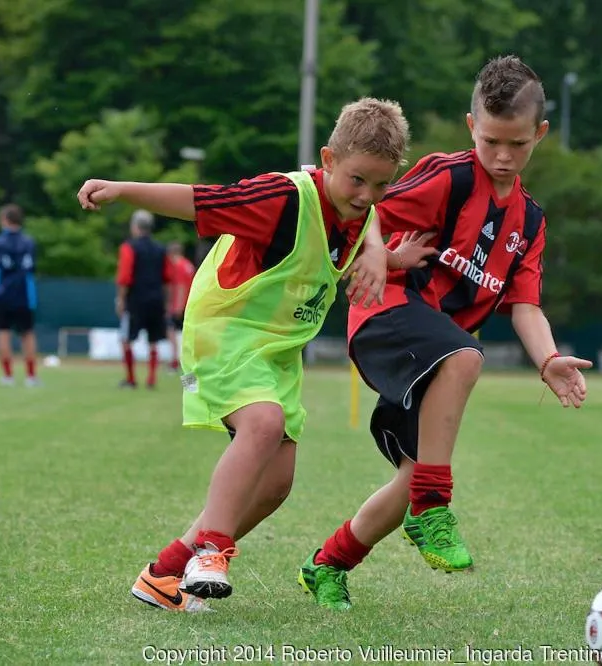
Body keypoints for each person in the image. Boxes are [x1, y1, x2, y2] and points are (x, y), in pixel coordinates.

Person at [77, 97, 433, 612]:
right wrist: (122, 190)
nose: (368, 195)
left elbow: (354, 237)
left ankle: (164, 572)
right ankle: (211, 550)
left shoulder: (361, 214)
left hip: (277, 351)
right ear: (328, 160)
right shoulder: (283, 198)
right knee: (262, 425)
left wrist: (390, 256)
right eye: (357, 180)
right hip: (223, 332)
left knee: (274, 485)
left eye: (381, 185)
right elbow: (201, 199)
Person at [299, 56, 593, 611]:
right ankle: (434, 507)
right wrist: (379, 254)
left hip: (436, 352)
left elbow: (526, 305)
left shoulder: (529, 221)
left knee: (411, 472)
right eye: (491, 141)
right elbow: (369, 205)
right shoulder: (448, 176)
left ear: (540, 135)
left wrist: (548, 359)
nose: (503, 157)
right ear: (471, 127)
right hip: (386, 312)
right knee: (466, 356)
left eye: (518, 145)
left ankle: (327, 565)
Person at [0, 204, 40, 387]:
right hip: (24, 295)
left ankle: (8, 376)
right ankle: (31, 377)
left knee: (2, 334)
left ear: (5, 220)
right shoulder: (29, 242)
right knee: (28, 335)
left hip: (2, 295)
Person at [115, 210, 171, 388]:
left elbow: (125, 277)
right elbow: (167, 278)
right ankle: (151, 379)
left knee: (127, 339)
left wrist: (120, 299)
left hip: (135, 300)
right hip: (156, 299)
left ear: (135, 226)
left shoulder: (128, 247)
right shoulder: (161, 250)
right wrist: (167, 301)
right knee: (153, 340)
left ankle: (131, 379)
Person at [164, 240, 196, 372]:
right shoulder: (188, 265)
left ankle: (175, 362)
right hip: (192, 305)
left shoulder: (179, 266)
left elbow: (181, 287)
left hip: (182, 306)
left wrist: (177, 307)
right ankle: (186, 369)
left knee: (174, 334)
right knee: (186, 339)